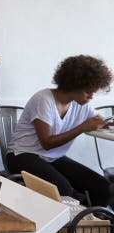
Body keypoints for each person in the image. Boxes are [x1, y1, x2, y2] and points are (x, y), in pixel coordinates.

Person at [7, 55, 114, 207]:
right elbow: (47, 143)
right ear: (74, 85)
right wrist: (82, 128)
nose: (91, 96)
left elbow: (103, 122)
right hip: (22, 155)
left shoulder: (80, 104)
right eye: (88, 91)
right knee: (63, 188)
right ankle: (72, 221)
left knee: (104, 188)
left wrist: (108, 123)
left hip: (52, 158)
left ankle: (93, 224)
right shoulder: (44, 99)